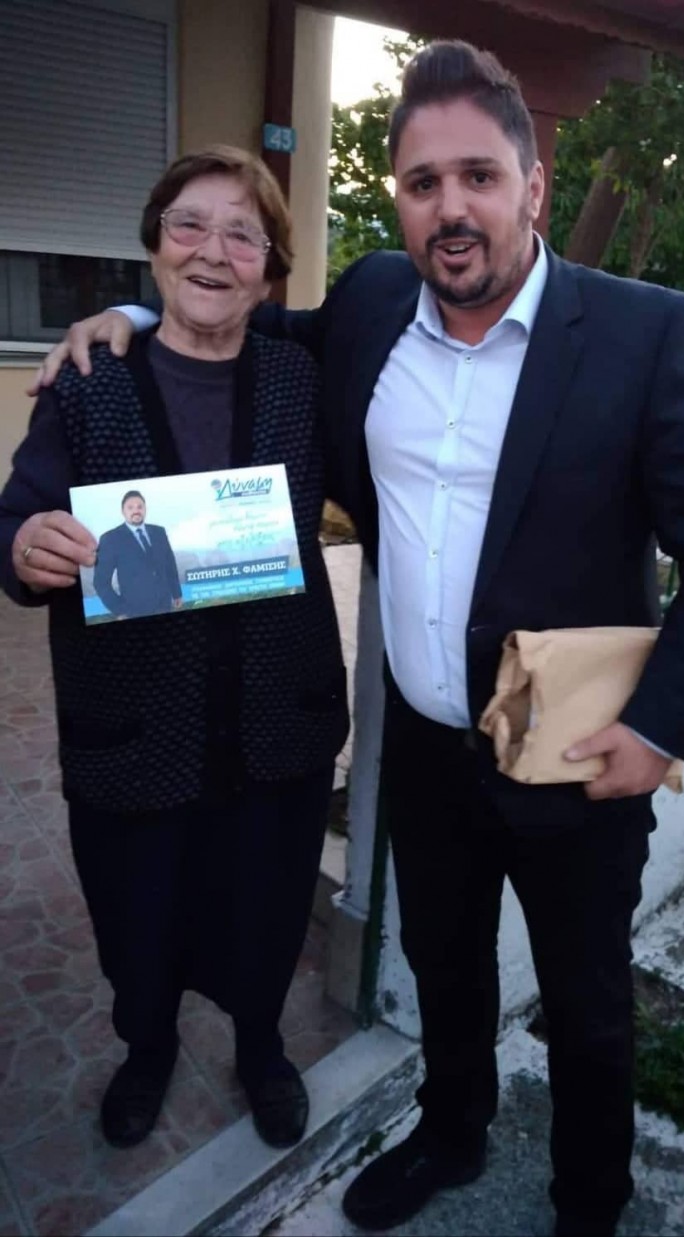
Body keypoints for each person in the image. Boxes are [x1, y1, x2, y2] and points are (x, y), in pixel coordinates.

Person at [34, 42, 684, 1237]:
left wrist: (657, 727)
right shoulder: (377, 304)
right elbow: (241, 313)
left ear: (533, 185)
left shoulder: (641, 333)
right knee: (442, 962)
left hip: (574, 749)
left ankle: (589, 1202)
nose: (451, 207)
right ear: (399, 199)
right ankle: (450, 1129)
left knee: (587, 1001)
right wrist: (127, 311)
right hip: (427, 747)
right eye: (423, 183)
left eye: (478, 175)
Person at [0, 146, 349, 1152]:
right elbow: (17, 518)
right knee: (137, 910)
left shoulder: (301, 381)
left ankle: (260, 1048)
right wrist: (24, 546)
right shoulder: (87, 384)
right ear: (153, 244)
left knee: (266, 902)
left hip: (273, 720)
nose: (212, 251)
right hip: (132, 728)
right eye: (189, 224)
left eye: (243, 234)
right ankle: (146, 1048)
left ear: (270, 269)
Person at [93, 489, 182, 618]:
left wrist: (176, 593)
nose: (136, 511)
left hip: (164, 605)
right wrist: (120, 610)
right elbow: (100, 582)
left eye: (140, 507)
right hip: (134, 611)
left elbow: (170, 566)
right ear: (123, 511)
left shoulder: (159, 532)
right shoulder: (110, 539)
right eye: (130, 507)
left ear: (145, 509)